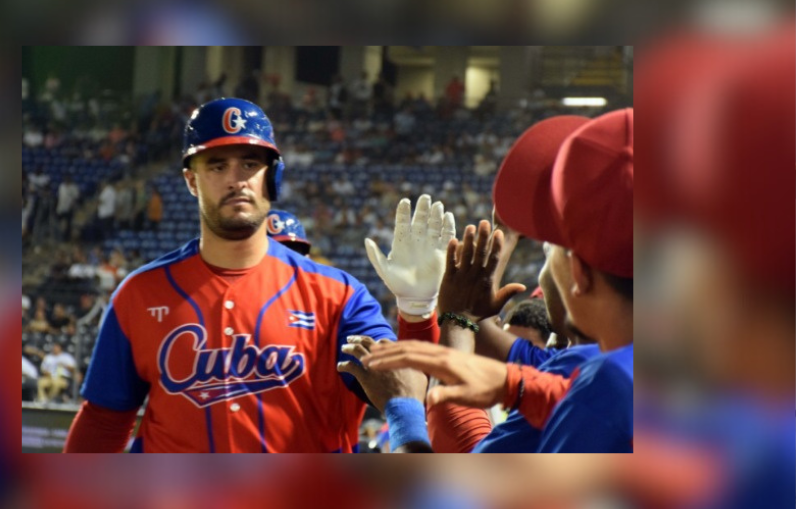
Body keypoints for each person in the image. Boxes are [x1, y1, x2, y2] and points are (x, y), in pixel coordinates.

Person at [64, 98, 399, 453]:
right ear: (191, 181)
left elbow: (401, 389)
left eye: (250, 164)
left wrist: (417, 314)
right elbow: (103, 421)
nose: (236, 180)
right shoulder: (138, 294)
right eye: (217, 166)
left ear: (272, 177)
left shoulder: (339, 295)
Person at [348, 109, 634, 453]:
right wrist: (420, 310)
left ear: (578, 274)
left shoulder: (602, 383)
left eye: (551, 246)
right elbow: (478, 342)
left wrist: (402, 410)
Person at [55, 174, 79, 241]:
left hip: (69, 209)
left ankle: (66, 238)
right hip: (60, 208)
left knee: (68, 225)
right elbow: (59, 197)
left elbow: (75, 198)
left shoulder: (73, 187)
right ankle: (58, 237)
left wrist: (72, 206)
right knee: (59, 224)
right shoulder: (61, 186)